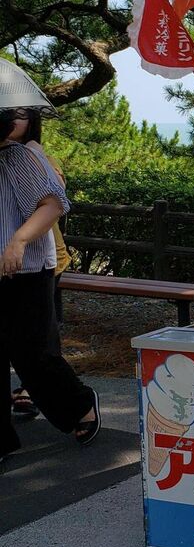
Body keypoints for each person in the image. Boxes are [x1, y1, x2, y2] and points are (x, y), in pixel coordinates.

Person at [0, 110, 100, 467]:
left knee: (33, 355)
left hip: (24, 271)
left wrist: (18, 240)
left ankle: (79, 405)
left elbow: (53, 204)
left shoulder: (19, 156)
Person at [7, 108, 70, 420]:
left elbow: (57, 197)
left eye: (21, 115)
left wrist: (37, 155)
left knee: (39, 341)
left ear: (32, 122)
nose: (12, 120)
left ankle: (65, 402)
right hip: (11, 263)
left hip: (41, 261)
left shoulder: (33, 154)